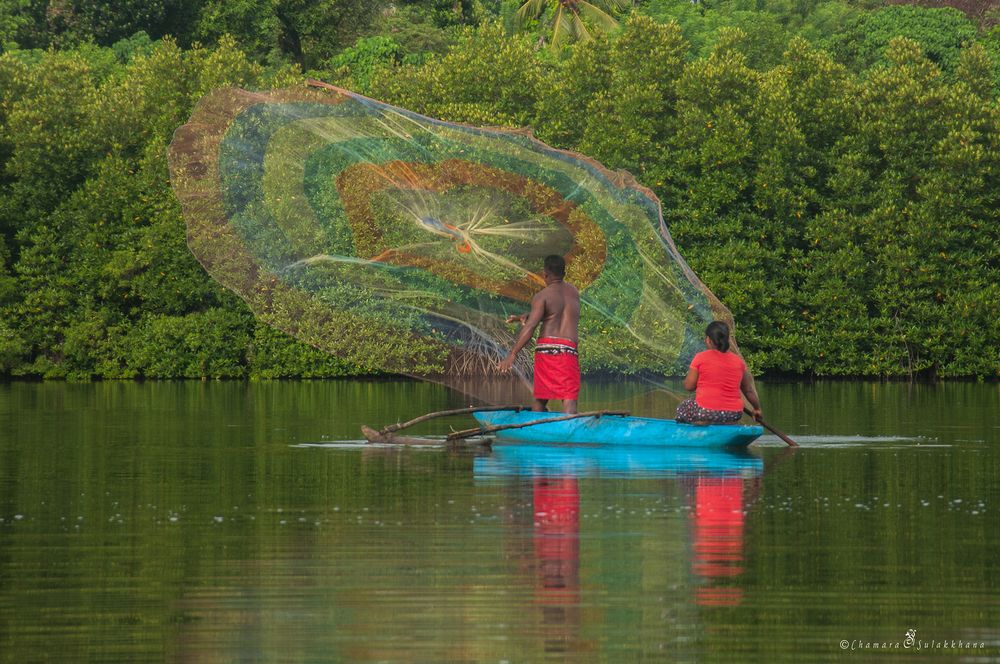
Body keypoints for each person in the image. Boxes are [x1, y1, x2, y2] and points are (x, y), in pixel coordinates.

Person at [498, 255, 580, 414]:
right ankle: (571, 431)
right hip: (568, 350)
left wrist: (513, 354)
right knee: (568, 397)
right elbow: (555, 313)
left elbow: (531, 327)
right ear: (564, 273)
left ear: (545, 274)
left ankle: (536, 427)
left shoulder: (542, 296)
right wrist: (523, 316)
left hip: (546, 350)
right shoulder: (574, 292)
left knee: (541, 397)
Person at [675, 321, 762, 425]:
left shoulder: (700, 357)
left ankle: (700, 426)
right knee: (722, 414)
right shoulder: (738, 362)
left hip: (707, 412)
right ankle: (725, 424)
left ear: (708, 340)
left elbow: (689, 386)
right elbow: (749, 391)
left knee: (685, 406)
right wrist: (757, 409)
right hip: (734, 414)